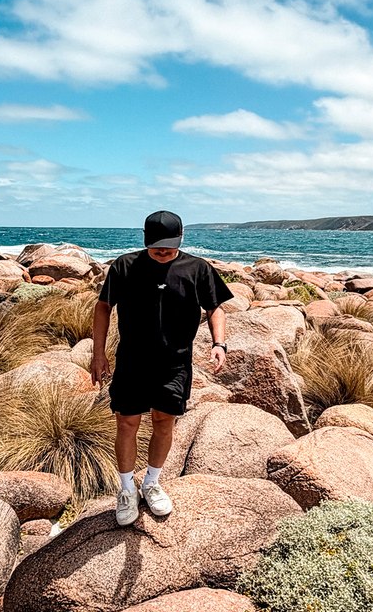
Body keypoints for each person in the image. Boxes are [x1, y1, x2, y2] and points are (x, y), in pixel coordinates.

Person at [91, 210, 232, 525]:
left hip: (174, 364)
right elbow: (102, 307)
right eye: (157, 246)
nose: (163, 252)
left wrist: (219, 343)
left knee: (163, 422)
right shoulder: (125, 266)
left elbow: (214, 309)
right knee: (127, 424)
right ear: (145, 240)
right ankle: (127, 489)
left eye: (169, 245)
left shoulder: (198, 269)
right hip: (131, 361)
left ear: (180, 239)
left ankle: (151, 482)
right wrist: (97, 354)